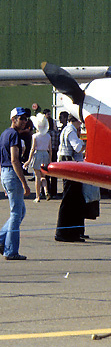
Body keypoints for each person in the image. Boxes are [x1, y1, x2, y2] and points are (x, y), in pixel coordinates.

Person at [0, 108, 32, 260]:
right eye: (21, 118)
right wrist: (24, 183)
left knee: (20, 211)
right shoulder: (13, 135)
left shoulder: (4, 134)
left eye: (25, 118)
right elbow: (14, 160)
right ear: (14, 119)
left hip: (6, 174)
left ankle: (1, 240)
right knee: (16, 213)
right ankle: (10, 251)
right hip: (12, 174)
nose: (24, 121)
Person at [55, 113, 87, 242]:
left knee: (73, 200)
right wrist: (87, 144)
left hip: (67, 163)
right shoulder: (71, 131)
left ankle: (73, 231)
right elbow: (78, 148)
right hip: (71, 166)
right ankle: (63, 232)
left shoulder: (67, 129)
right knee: (70, 200)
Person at [25, 119, 52, 201]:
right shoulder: (48, 136)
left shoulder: (35, 136)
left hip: (38, 155)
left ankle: (37, 196)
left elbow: (33, 149)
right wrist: (50, 160)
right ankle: (46, 191)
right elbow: (50, 149)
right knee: (43, 176)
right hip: (45, 155)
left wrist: (29, 160)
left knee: (37, 176)